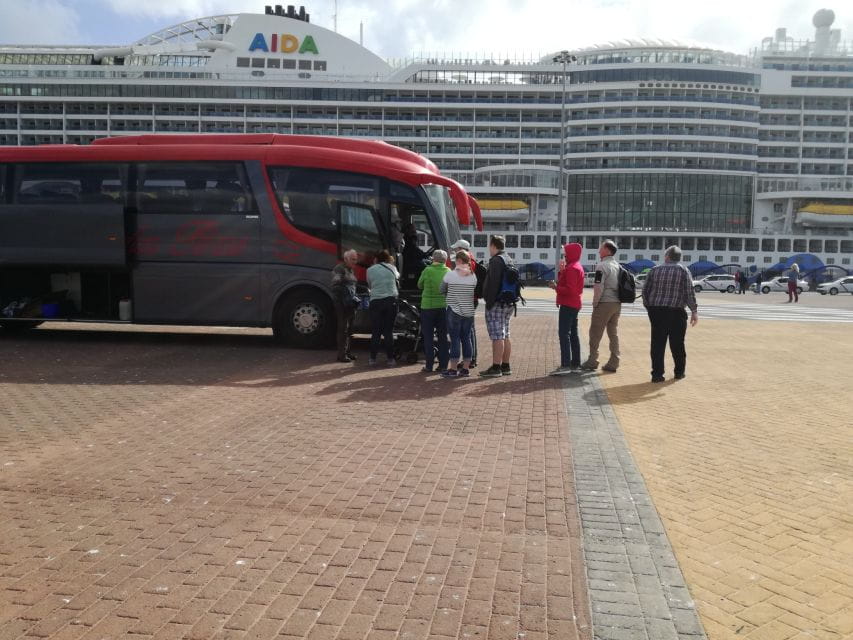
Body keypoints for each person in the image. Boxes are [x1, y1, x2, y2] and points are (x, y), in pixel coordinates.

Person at [641, 245, 699, 382]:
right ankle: (679, 372)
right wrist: (694, 311)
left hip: (657, 311)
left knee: (657, 344)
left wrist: (650, 308)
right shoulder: (684, 270)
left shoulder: (655, 270)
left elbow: (645, 291)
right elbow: (689, 292)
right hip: (676, 312)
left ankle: (657, 375)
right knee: (677, 343)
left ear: (667, 256)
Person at [580, 240, 622, 373]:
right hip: (617, 303)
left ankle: (593, 360)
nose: (599, 251)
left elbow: (598, 287)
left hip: (604, 302)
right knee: (613, 333)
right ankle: (614, 361)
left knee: (595, 332)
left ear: (607, 250)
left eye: (601, 248)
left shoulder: (601, 266)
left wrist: (595, 303)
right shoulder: (618, 266)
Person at [479, 235, 514, 378]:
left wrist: (489, 302)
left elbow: (493, 283)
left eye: (490, 246)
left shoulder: (496, 260)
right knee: (505, 334)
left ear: (493, 245)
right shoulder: (508, 259)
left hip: (497, 302)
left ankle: (496, 367)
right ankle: (505, 365)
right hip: (508, 302)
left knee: (497, 336)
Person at [548, 242, 585, 375]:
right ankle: (575, 363)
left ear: (571, 254)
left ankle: (566, 365)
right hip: (574, 304)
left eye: (566, 254)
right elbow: (570, 285)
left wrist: (555, 287)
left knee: (564, 334)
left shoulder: (572, 268)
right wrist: (562, 272)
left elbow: (570, 289)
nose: (565, 256)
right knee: (573, 334)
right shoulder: (576, 266)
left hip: (568, 304)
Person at [440, 251, 478, 378]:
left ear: (459, 261)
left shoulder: (451, 274)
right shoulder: (473, 276)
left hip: (454, 310)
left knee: (455, 338)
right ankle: (465, 369)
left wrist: (450, 294)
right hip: (468, 311)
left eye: (455, 260)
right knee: (466, 338)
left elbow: (441, 289)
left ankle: (453, 369)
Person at [417, 249, 450, 373]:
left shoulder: (427, 270)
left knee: (428, 337)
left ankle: (429, 365)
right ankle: (443, 365)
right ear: (445, 260)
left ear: (433, 259)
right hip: (443, 307)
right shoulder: (448, 271)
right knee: (443, 337)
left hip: (428, 307)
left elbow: (419, 285)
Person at [449, 238, 480, 368]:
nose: (455, 252)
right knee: (469, 330)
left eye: (456, 249)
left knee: (467, 332)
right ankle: (471, 358)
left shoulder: (467, 262)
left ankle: (470, 359)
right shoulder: (472, 260)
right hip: (471, 299)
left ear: (461, 249)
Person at [366, 249, 399, 366]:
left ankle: (372, 359)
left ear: (376, 258)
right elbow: (397, 277)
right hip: (390, 301)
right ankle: (390, 359)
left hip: (376, 301)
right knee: (388, 331)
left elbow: (370, 284)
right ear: (387, 258)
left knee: (376, 331)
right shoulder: (392, 268)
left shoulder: (370, 270)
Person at [331, 249, 360, 363]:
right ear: (346, 259)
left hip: (350, 304)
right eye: (353, 259)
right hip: (342, 304)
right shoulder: (339, 269)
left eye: (356, 259)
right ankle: (341, 355)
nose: (355, 262)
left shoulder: (350, 270)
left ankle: (347, 352)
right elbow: (335, 286)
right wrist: (346, 294)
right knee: (343, 328)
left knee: (350, 329)